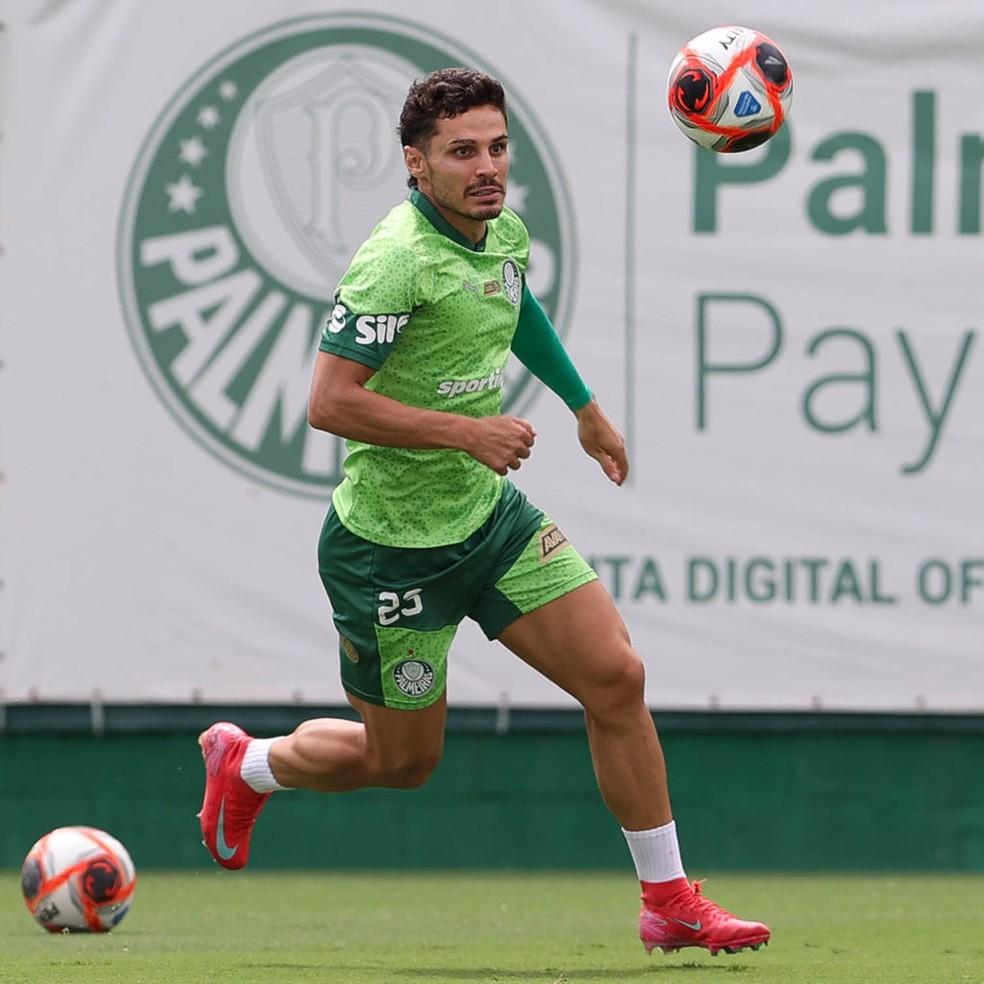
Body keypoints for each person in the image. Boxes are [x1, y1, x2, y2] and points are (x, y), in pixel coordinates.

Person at [198, 67, 770, 958]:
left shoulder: (502, 231)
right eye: (462, 152)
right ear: (416, 164)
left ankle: (670, 901)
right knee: (402, 763)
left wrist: (583, 406)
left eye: (497, 148)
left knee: (616, 678)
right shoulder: (395, 260)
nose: (487, 167)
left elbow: (514, 302)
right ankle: (251, 765)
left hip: (489, 521)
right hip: (390, 551)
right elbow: (329, 403)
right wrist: (466, 433)